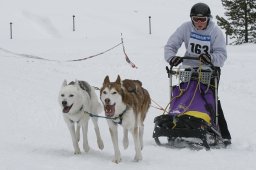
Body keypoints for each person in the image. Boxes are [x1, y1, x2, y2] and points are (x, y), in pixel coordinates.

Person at [164, 2, 231, 145]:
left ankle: (223, 132)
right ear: (191, 19)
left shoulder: (215, 32)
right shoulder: (185, 27)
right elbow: (171, 45)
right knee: (184, 92)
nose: (199, 23)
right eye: (196, 19)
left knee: (208, 96)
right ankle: (179, 121)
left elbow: (222, 54)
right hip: (188, 67)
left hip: (209, 69)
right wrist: (172, 57)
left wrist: (211, 58)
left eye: (202, 20)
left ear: (208, 19)